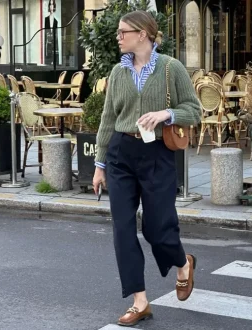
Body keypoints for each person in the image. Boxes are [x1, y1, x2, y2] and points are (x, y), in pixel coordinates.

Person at [92, 10, 201, 327]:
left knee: (158, 228)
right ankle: (139, 301)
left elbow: (193, 110)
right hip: (120, 154)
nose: (118, 37)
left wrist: (166, 114)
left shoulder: (171, 69)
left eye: (122, 31)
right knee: (122, 229)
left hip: (156, 154)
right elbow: (108, 120)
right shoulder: (117, 72)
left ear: (142, 34)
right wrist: (100, 165)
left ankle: (183, 264)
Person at [44, 0, 58, 65]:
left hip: (55, 43)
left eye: (52, 4)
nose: (51, 6)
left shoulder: (56, 20)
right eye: (50, 4)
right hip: (48, 44)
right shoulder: (46, 19)